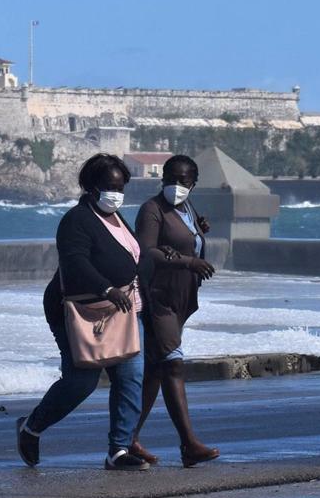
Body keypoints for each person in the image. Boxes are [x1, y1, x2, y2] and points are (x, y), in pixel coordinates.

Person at [17, 153, 149, 471]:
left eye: (121, 187)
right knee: (82, 382)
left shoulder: (117, 218)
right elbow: (75, 261)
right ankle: (31, 427)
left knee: (131, 376)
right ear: (91, 187)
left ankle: (118, 450)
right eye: (109, 187)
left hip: (124, 311)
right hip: (82, 311)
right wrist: (107, 288)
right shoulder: (77, 220)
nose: (116, 193)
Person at [130, 154, 220, 468]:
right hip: (159, 298)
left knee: (156, 370)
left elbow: (184, 240)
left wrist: (199, 233)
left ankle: (127, 440)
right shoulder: (152, 210)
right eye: (171, 179)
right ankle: (188, 444)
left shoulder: (187, 208)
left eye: (184, 181)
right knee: (173, 366)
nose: (176, 186)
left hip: (182, 298)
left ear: (193, 184)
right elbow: (147, 250)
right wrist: (188, 262)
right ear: (163, 178)